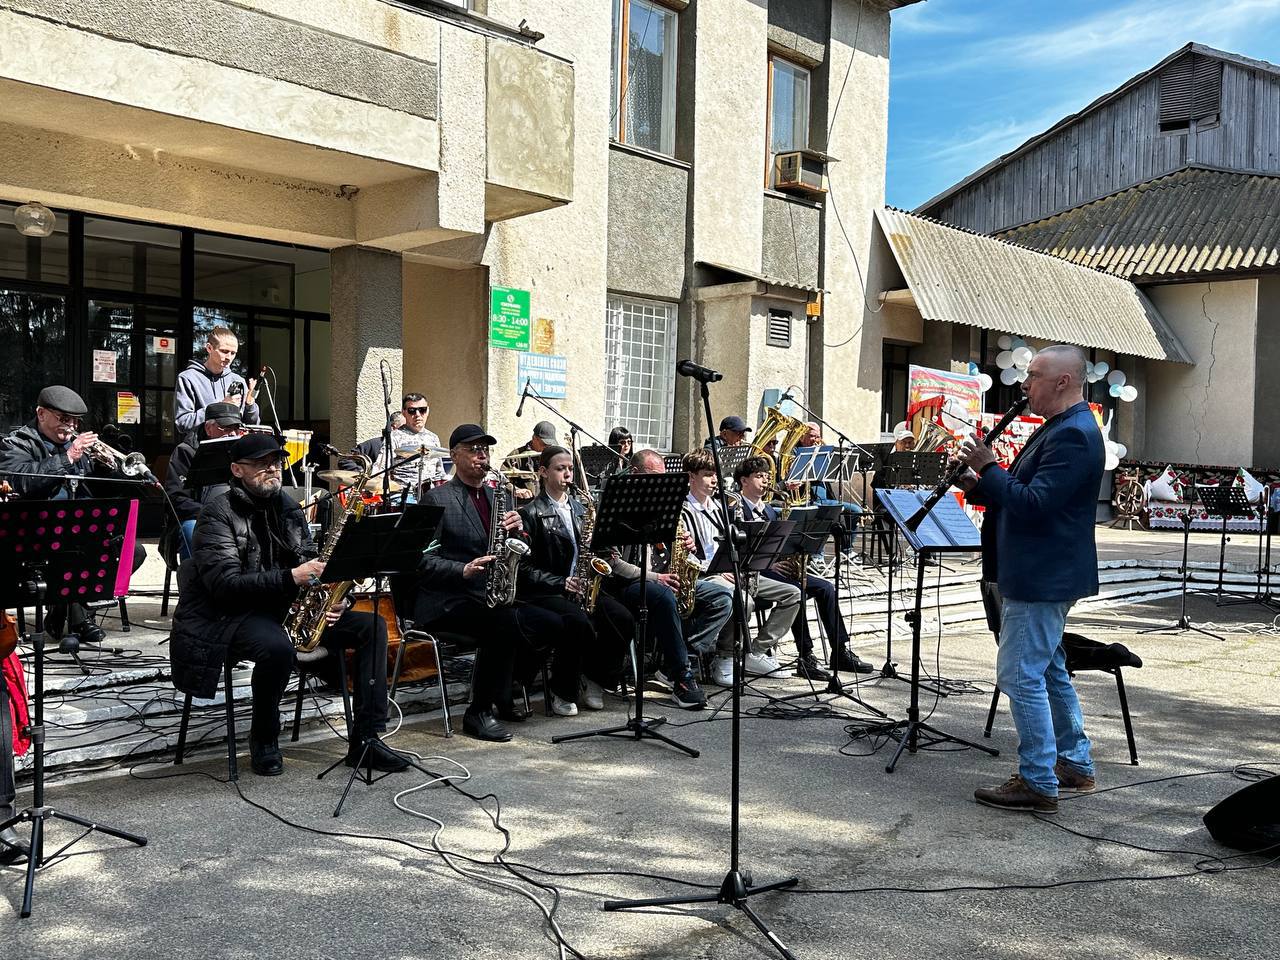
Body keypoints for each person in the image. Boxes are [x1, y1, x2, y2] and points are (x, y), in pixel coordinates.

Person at [170, 433, 407, 777]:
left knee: (372, 626)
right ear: (236, 470)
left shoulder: (288, 508)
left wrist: (336, 599)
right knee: (277, 648)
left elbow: (313, 562)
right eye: (261, 464)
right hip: (230, 613)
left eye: (276, 462)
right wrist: (292, 577)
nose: (272, 469)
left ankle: (367, 739)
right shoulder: (216, 514)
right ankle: (264, 737)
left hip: (282, 607)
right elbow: (225, 586)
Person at [957, 345, 1103, 815]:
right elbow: (1029, 496)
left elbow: (1036, 505)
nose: (1024, 384)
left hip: (1042, 575)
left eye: (1034, 375)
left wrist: (989, 467)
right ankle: (1073, 762)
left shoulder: (1074, 433)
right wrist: (979, 485)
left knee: (1018, 676)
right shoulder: (1060, 426)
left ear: (1063, 381)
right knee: (1049, 668)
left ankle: (1038, 780)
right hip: (1045, 570)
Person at [414, 424, 572, 742]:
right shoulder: (436, 498)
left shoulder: (498, 495)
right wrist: (462, 569)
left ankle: (506, 690)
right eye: (473, 449)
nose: (481, 455)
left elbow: (520, 545)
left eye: (485, 449)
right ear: (454, 455)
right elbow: (420, 560)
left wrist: (519, 530)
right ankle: (478, 712)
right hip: (449, 599)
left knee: (552, 623)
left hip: (489, 596)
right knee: (502, 624)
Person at [0, 385, 147, 653]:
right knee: (71, 556)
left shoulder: (78, 447)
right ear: (41, 413)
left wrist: (113, 471)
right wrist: (67, 458)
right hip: (39, 531)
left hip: (82, 528)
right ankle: (80, 619)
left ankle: (63, 610)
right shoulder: (17, 443)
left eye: (75, 421)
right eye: (64, 418)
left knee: (133, 551)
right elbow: (21, 481)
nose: (70, 426)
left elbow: (102, 491)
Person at [734, 457, 874, 679]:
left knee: (826, 588)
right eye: (759, 477)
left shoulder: (769, 510)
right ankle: (806, 655)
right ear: (744, 481)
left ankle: (840, 651)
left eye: (767, 476)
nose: (765, 481)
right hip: (755, 571)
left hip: (776, 567)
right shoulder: (736, 509)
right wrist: (772, 563)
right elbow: (739, 552)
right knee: (796, 590)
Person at [518, 447, 636, 711]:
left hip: (584, 586)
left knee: (623, 618)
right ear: (543, 472)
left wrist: (601, 551)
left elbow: (596, 551)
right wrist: (561, 582)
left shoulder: (582, 508)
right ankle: (563, 690)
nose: (568, 474)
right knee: (577, 622)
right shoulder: (531, 513)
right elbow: (524, 568)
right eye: (560, 469)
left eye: (570, 469)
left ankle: (596, 678)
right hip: (549, 591)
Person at [681, 449, 800, 686]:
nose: (714, 481)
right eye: (708, 475)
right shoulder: (683, 510)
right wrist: (716, 568)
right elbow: (685, 557)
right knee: (744, 601)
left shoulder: (720, 508)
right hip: (705, 575)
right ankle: (725, 657)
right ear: (691, 477)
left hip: (732, 571)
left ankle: (755, 651)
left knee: (793, 594)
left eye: (716, 475)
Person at [628, 448, 732, 690]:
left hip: (667, 576)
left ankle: (681, 660)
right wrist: (656, 577)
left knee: (723, 598)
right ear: (635, 474)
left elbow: (670, 550)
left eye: (664, 477)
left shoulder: (666, 506)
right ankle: (680, 667)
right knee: (665, 596)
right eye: (654, 477)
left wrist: (687, 546)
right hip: (636, 581)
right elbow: (617, 563)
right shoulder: (625, 505)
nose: (661, 484)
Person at [164, 401, 245, 559]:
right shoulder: (186, 451)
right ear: (208, 428)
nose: (232, 434)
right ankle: (193, 574)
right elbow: (175, 498)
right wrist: (211, 512)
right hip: (197, 516)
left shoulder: (241, 451)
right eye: (226, 428)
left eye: (236, 429)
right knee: (191, 530)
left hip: (235, 515)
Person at [175, 326, 259, 437]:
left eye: (233, 353)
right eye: (224, 351)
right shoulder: (188, 378)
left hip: (234, 445)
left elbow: (252, 425)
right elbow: (183, 423)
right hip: (201, 445)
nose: (229, 357)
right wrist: (220, 407)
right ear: (209, 348)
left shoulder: (238, 380)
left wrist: (250, 405)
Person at [383, 394, 444, 496]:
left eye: (422, 410)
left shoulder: (433, 438)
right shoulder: (394, 437)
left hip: (430, 495)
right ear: (404, 412)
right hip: (403, 496)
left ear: (428, 411)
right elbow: (381, 468)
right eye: (412, 411)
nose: (417, 414)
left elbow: (439, 472)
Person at [504, 420, 558, 500]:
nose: (546, 447)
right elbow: (502, 479)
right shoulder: (516, 456)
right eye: (544, 444)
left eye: (549, 445)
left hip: (547, 503)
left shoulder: (551, 457)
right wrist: (515, 490)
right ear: (534, 438)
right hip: (525, 504)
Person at [340, 411, 405, 472]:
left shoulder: (408, 449)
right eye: (404, 428)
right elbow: (345, 460)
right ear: (393, 427)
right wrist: (363, 473)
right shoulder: (374, 444)